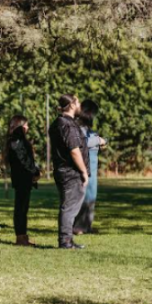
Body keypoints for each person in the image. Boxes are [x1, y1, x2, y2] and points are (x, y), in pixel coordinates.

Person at [50, 94, 89, 249]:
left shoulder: (58, 123)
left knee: (69, 206)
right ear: (72, 105)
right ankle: (65, 241)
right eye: (77, 102)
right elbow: (74, 150)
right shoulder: (67, 125)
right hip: (71, 173)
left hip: (63, 171)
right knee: (69, 207)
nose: (79, 105)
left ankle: (68, 240)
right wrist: (84, 171)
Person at [6, 115, 40, 246]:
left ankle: (23, 236)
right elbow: (24, 160)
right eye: (25, 124)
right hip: (22, 179)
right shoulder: (16, 142)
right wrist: (35, 171)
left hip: (24, 179)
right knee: (20, 209)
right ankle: (20, 237)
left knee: (23, 208)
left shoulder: (18, 141)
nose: (27, 127)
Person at [74, 99, 106, 235]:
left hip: (92, 168)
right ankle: (77, 227)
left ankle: (87, 226)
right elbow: (81, 143)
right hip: (83, 167)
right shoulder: (78, 128)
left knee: (91, 197)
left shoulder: (88, 130)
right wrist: (98, 140)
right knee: (83, 197)